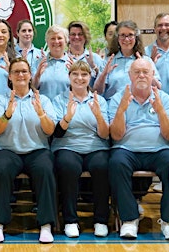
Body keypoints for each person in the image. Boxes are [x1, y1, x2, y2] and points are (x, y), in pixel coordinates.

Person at [107, 58, 169, 240]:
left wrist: (160, 111)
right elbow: (116, 135)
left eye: (145, 72)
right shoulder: (119, 98)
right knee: (116, 163)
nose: (141, 75)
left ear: (152, 75)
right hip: (126, 149)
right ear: (130, 76)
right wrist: (121, 110)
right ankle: (129, 220)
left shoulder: (164, 98)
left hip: (159, 150)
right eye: (137, 72)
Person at [0, 58, 57, 243]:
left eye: (24, 71)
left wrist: (41, 113)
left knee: (45, 169)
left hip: (37, 150)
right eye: (16, 72)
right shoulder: (0, 100)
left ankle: (46, 225)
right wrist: (7, 114)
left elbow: (50, 131)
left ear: (30, 75)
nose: (20, 75)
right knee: (1, 170)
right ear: (9, 76)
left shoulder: (42, 100)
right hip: (7, 150)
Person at [51, 61, 110, 238]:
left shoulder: (99, 100)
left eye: (84, 74)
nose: (79, 78)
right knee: (68, 167)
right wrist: (67, 117)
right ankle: (70, 220)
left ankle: (101, 220)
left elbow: (105, 134)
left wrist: (99, 116)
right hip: (67, 146)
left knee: (102, 167)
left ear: (90, 77)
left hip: (95, 147)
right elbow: (57, 133)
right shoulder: (59, 99)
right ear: (69, 77)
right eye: (75, 74)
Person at [93, 20, 161, 101]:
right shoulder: (108, 61)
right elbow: (97, 91)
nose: (126, 39)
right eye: (122, 35)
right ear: (117, 38)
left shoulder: (145, 60)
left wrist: (145, 70)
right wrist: (104, 74)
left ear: (136, 37)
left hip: (138, 107)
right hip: (114, 107)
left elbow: (158, 88)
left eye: (130, 35)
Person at [32, 25, 72, 101]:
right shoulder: (37, 63)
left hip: (66, 109)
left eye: (59, 38)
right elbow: (31, 89)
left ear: (66, 41)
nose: (56, 41)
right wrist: (37, 75)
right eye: (52, 38)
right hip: (43, 110)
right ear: (47, 41)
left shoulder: (73, 64)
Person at [66, 21, 105, 87]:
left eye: (80, 34)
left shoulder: (95, 58)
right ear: (68, 37)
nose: (76, 37)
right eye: (73, 34)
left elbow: (102, 85)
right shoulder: (63, 58)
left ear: (86, 36)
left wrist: (94, 67)